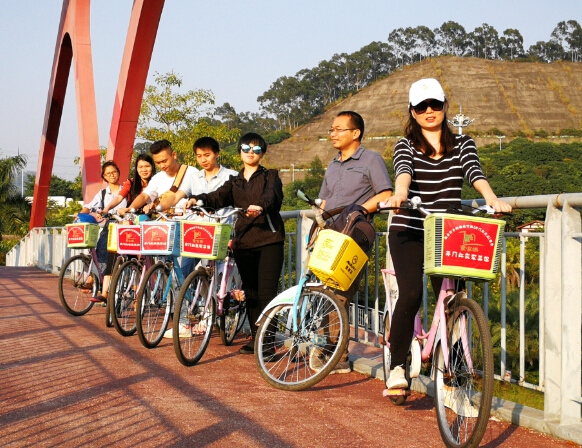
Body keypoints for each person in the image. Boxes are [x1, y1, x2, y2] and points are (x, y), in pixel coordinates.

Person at [380, 78, 512, 389]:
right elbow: (403, 173)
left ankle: (454, 365)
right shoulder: (405, 145)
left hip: (446, 231)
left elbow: (474, 172)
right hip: (410, 227)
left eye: (435, 105)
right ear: (412, 112)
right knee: (411, 293)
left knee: (454, 298)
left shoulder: (463, 144)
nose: (429, 111)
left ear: (445, 107)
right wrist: (400, 194)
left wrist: (492, 199)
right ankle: (397, 366)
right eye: (421, 107)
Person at [184, 132, 285, 355]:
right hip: (243, 242)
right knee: (251, 293)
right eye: (246, 148)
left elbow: (272, 197)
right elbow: (217, 197)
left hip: (269, 240)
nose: (251, 152)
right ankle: (257, 338)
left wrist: (261, 206)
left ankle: (268, 342)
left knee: (266, 293)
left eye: (256, 149)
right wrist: (198, 200)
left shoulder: (271, 176)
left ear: (262, 153)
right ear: (240, 151)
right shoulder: (234, 182)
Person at [316, 110, 393, 374]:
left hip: (353, 235)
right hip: (330, 234)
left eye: (339, 129)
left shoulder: (371, 159)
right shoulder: (333, 164)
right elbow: (325, 200)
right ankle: (327, 347)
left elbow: (385, 193)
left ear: (355, 133)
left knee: (339, 294)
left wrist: (359, 210)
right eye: (331, 130)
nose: (333, 134)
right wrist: (318, 225)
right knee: (321, 291)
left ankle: (338, 356)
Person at [159, 136, 238, 338]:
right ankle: (183, 322)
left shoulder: (231, 176)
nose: (203, 159)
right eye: (199, 156)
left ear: (217, 154)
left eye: (207, 155)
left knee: (213, 276)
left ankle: (210, 316)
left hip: (218, 234)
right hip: (195, 234)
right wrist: (159, 207)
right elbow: (177, 196)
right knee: (180, 274)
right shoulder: (194, 177)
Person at [78, 160, 127, 303]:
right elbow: (89, 206)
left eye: (114, 172)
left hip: (124, 225)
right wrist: (80, 215)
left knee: (117, 255)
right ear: (104, 177)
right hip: (110, 225)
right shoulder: (103, 193)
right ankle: (95, 280)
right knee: (101, 249)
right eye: (108, 173)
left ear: (118, 173)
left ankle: (105, 285)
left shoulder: (125, 190)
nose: (112, 175)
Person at [120, 139, 198, 215]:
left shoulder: (192, 173)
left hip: (187, 218)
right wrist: (130, 209)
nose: (162, 166)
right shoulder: (157, 178)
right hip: (164, 220)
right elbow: (144, 196)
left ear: (174, 155)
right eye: (158, 163)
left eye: (164, 161)